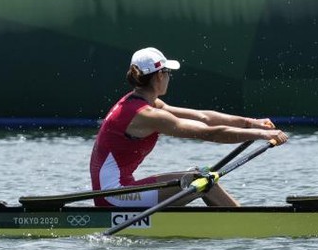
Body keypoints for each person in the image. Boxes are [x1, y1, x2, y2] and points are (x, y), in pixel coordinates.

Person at [89, 47, 288, 208]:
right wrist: (261, 134)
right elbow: (208, 133)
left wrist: (250, 122)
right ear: (159, 76)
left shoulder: (145, 102)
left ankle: (235, 222)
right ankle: (246, 226)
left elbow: (203, 117)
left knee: (197, 174)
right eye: (168, 72)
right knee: (201, 181)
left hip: (121, 190)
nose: (169, 77)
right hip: (114, 196)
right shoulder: (145, 114)